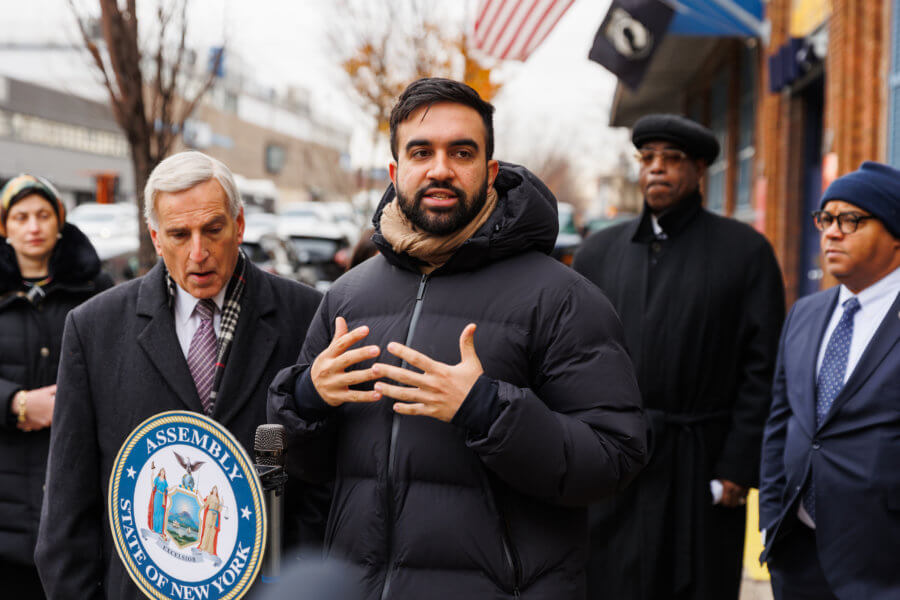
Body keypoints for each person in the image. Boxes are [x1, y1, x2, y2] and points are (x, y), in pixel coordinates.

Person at [268, 77, 646, 600]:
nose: (440, 169)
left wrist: (487, 410)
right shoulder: (348, 297)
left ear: (489, 172)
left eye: (461, 152)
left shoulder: (561, 298)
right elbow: (308, 468)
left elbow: (614, 458)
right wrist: (309, 400)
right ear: (396, 172)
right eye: (421, 151)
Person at [34, 151, 324, 599]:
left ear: (239, 225)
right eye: (178, 234)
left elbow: (322, 485)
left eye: (212, 229)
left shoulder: (305, 316)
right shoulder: (94, 329)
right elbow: (67, 509)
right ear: (154, 237)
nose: (198, 253)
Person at [573, 114, 785, 600]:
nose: (656, 170)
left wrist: (737, 464)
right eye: (648, 159)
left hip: (702, 465)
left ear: (699, 169)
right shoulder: (599, 253)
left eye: (671, 159)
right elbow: (572, 357)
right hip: (616, 461)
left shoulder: (745, 252)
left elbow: (764, 368)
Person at [759, 161, 900, 600]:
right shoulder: (805, 313)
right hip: (798, 555)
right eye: (825, 218)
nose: (831, 232)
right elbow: (780, 422)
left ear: (896, 233)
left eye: (851, 219)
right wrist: (770, 520)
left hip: (883, 562)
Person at [0, 174, 112, 599]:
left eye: (43, 215)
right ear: (4, 226)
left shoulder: (93, 290)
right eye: (21, 216)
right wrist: (15, 403)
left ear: (59, 221)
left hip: (73, 486)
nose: (33, 226)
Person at [198, 486, 222, 556]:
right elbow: (205, 503)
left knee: (212, 532)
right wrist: (199, 494)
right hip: (210, 514)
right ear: (212, 490)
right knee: (207, 530)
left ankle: (210, 550)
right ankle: (202, 547)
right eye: (214, 489)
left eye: (216, 490)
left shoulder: (218, 499)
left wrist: (222, 503)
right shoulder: (210, 496)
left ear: (217, 491)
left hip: (215, 516)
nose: (215, 491)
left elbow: (219, 510)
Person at [148, 467, 168, 536]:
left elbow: (168, 489)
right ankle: (154, 528)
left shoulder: (165, 481)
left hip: (162, 498)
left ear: (164, 473)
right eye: (162, 471)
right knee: (156, 512)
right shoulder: (157, 479)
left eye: (164, 472)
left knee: (161, 514)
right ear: (160, 472)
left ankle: (160, 531)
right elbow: (153, 485)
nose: (163, 473)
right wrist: (151, 477)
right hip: (157, 496)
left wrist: (175, 487)